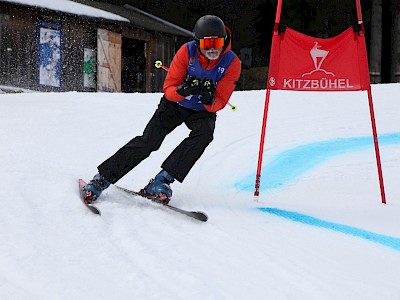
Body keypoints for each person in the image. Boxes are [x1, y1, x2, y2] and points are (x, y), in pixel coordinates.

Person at [83, 15, 241, 204]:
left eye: (218, 42)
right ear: (198, 42)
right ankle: (103, 178)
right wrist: (183, 90)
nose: (214, 49)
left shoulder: (232, 62)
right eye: (208, 44)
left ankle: (162, 180)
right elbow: (169, 89)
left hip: (201, 111)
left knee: (204, 133)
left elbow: (221, 100)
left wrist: (208, 100)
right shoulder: (187, 52)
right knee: (149, 141)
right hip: (174, 106)